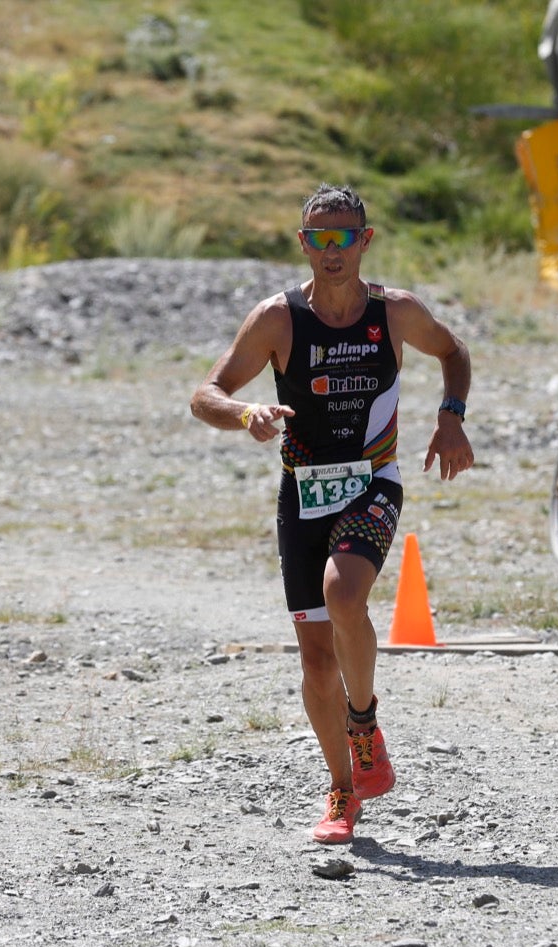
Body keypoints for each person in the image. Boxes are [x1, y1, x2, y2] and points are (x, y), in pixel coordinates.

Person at [189, 184, 475, 845]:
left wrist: (451, 419)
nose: (332, 250)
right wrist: (244, 414)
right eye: (319, 238)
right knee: (316, 661)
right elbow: (206, 393)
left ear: (365, 241)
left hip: (372, 481)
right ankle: (343, 790)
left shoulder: (393, 312)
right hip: (303, 495)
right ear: (304, 244)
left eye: (344, 237)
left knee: (344, 591)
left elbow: (453, 350)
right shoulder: (278, 319)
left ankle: (364, 723)